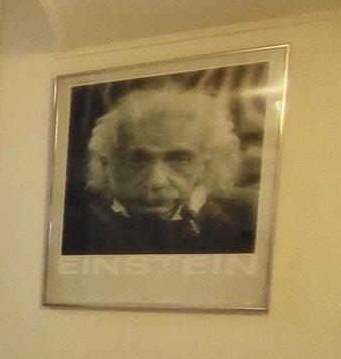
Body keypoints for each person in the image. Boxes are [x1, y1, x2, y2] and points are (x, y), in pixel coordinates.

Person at [63, 84, 256, 254]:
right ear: (107, 163)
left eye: (178, 159)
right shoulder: (74, 224)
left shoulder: (247, 217)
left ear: (206, 163)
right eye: (137, 160)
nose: (156, 182)